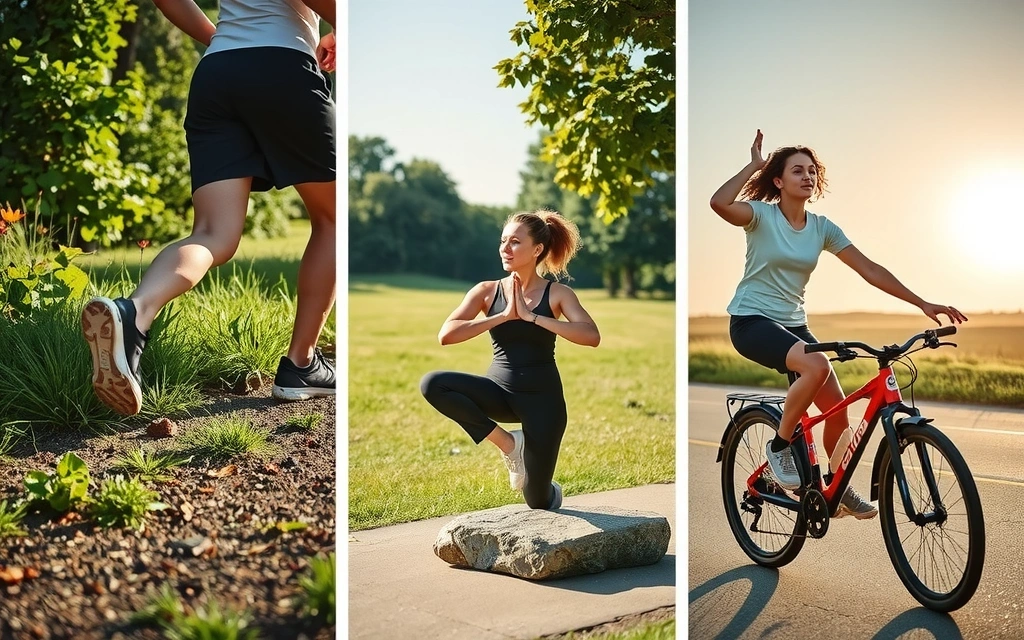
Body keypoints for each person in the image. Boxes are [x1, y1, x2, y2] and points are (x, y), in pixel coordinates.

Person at [80, 0, 338, 417]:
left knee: (213, 235)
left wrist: (218, 38)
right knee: (333, 220)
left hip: (216, 73)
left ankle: (134, 312)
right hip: (281, 65)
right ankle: (301, 365)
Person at [710, 129, 967, 519]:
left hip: (795, 327)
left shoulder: (822, 228)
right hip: (752, 320)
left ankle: (835, 485)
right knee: (816, 365)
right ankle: (779, 448)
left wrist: (922, 303)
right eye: (797, 170)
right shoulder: (760, 215)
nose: (807, 176)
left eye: (812, 171)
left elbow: (870, 269)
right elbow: (718, 202)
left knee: (836, 409)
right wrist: (754, 165)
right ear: (778, 181)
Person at [419, 210, 601, 511]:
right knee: (433, 384)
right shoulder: (487, 291)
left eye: (515, 242)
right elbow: (446, 334)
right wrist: (502, 317)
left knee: (537, 501)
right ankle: (509, 444)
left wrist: (533, 318)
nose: (505, 248)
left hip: (544, 404)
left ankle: (547, 488)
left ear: (537, 250)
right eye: (503, 241)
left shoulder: (557, 294)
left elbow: (591, 336)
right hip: (499, 394)